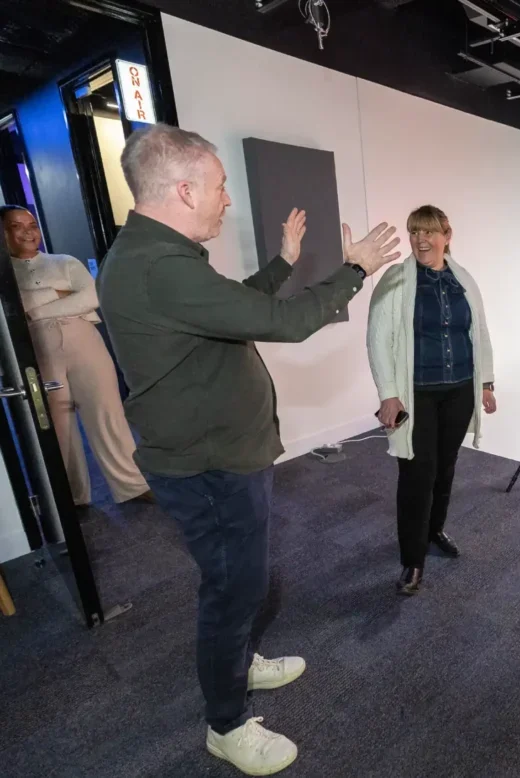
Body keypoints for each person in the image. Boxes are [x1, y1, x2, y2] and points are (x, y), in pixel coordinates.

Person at [97, 123, 400, 776]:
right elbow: (284, 324)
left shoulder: (158, 259)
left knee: (239, 582)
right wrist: (357, 271)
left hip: (218, 455)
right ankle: (226, 725)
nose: (228, 199)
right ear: (183, 188)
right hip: (210, 468)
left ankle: (239, 663)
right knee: (234, 591)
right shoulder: (158, 268)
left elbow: (235, 309)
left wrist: (286, 262)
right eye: (220, 186)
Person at [366, 204, 496, 595]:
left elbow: (480, 332)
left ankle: (435, 528)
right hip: (416, 394)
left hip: (459, 390)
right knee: (416, 475)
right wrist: (389, 395)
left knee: (445, 468)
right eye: (414, 233)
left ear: (446, 235)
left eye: (428, 232)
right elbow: (377, 340)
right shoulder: (396, 280)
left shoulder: (463, 279)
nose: (421, 240)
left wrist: (486, 383)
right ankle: (412, 559)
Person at [1, 205, 152, 507]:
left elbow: (93, 296)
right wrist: (62, 297)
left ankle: (132, 486)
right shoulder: (4, 273)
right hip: (38, 350)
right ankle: (72, 497)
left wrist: (33, 308)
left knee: (107, 412)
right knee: (57, 423)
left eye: (33, 224)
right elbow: (8, 315)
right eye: (18, 226)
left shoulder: (64, 262)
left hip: (82, 339)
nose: (30, 231)